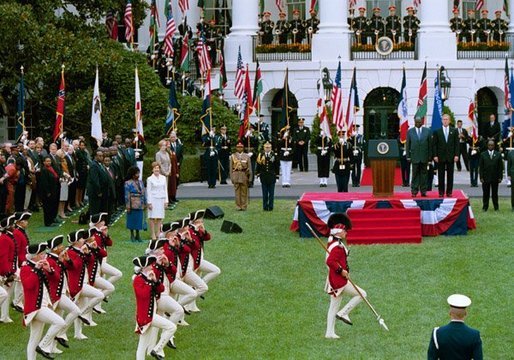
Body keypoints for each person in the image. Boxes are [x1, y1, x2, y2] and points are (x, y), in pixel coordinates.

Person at [20, 243, 66, 360]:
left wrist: (49, 270)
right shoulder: (26, 268)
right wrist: (36, 270)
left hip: (43, 305)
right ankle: (43, 346)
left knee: (34, 338)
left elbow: (56, 278)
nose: (44, 256)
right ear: (35, 256)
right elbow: (29, 285)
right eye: (41, 254)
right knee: (60, 322)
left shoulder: (42, 265)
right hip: (36, 307)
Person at [325, 213, 366, 339]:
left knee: (333, 307)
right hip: (339, 280)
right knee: (362, 294)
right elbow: (330, 261)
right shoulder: (337, 246)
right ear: (339, 232)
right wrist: (341, 270)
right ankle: (344, 313)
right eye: (344, 231)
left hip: (334, 279)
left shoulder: (333, 242)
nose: (346, 233)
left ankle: (329, 333)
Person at [133, 255, 176, 360]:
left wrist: (155, 281)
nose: (152, 266)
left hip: (150, 314)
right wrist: (149, 281)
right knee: (171, 327)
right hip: (145, 316)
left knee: (142, 345)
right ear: (144, 267)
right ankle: (156, 350)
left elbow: (161, 289)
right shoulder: (138, 280)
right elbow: (143, 295)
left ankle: (155, 350)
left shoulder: (149, 277)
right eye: (150, 265)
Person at [427, 294, 483, 360]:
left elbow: (431, 358)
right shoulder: (474, 335)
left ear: (450, 312)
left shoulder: (437, 333)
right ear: (466, 314)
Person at [433, 114, 459, 197]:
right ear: (442, 121)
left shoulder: (454, 131)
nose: (445, 121)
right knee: (441, 175)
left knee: (450, 175)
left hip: (451, 157)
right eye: (444, 119)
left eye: (447, 119)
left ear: (449, 121)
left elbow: (456, 144)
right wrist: (435, 155)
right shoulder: (437, 131)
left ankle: (449, 192)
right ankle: (441, 192)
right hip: (440, 157)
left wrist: (456, 155)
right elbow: (435, 145)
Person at [406, 117, 432, 197]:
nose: (418, 123)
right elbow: (408, 145)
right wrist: (408, 156)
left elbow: (430, 145)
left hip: (424, 157)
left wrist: (430, 157)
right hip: (414, 157)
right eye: (417, 122)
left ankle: (423, 191)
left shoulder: (427, 131)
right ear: (414, 122)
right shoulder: (410, 132)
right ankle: (414, 191)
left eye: (419, 122)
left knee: (424, 175)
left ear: (422, 122)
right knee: (415, 175)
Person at [479, 139, 503, 211]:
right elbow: (481, 167)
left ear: (494, 146)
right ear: (487, 145)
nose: (490, 146)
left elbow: (500, 167)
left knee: (495, 194)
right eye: (489, 145)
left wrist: (500, 177)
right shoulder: (483, 154)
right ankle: (485, 207)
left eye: (492, 145)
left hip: (495, 178)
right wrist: (481, 177)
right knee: (485, 194)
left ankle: (496, 207)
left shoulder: (498, 154)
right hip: (486, 178)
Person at [147, 162, 168, 241]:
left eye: (158, 168)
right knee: (152, 217)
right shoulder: (149, 179)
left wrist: (166, 201)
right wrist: (149, 202)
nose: (157, 169)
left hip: (161, 199)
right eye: (155, 168)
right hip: (153, 199)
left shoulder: (163, 178)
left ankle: (158, 232)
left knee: (160, 217)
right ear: (152, 170)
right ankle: (152, 233)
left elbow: (165, 189)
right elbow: (148, 191)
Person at [256, 141, 279, 211]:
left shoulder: (274, 155)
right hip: (264, 176)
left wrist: (277, 176)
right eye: (266, 148)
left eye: (269, 148)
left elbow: (276, 166)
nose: (267, 149)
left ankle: (271, 207)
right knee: (265, 193)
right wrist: (258, 175)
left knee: (271, 194)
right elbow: (258, 166)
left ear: (271, 148)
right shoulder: (261, 155)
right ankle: (265, 207)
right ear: (264, 148)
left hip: (272, 176)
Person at [124, 166, 146, 241]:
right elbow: (127, 195)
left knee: (139, 220)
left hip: (140, 204)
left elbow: (144, 192)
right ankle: (132, 234)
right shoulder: (128, 183)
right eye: (137, 173)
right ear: (133, 175)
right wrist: (128, 206)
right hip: (132, 204)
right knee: (131, 220)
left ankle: (138, 234)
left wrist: (145, 202)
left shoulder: (141, 182)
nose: (138, 175)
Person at [38, 156, 61, 226]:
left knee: (54, 205)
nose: (49, 162)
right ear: (44, 162)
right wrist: (48, 192)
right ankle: (48, 222)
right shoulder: (44, 170)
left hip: (55, 189)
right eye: (47, 161)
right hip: (48, 192)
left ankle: (53, 218)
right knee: (48, 207)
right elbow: (44, 182)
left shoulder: (52, 168)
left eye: (49, 161)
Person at [230, 142, 251, 211]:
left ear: (243, 148)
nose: (240, 148)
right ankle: (238, 206)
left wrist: (250, 178)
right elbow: (230, 168)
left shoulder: (247, 156)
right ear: (236, 148)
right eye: (238, 147)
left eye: (241, 147)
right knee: (237, 192)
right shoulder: (233, 156)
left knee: (244, 191)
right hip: (236, 175)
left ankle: (244, 206)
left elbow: (249, 167)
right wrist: (231, 177)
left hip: (244, 175)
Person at [155, 139, 172, 206]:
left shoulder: (167, 153)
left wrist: (169, 171)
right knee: (161, 188)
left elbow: (170, 163)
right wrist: (165, 172)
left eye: (165, 145)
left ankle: (166, 203)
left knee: (166, 188)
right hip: (162, 173)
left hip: (167, 173)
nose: (165, 147)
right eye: (164, 145)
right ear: (160, 146)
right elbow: (159, 164)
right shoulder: (158, 154)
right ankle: (161, 203)